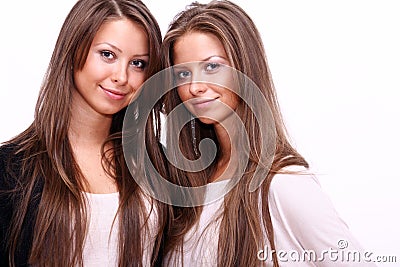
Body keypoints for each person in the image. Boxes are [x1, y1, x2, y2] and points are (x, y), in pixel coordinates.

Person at [158, 1, 377, 266]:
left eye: (212, 67)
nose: (195, 87)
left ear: (246, 67)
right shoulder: (188, 186)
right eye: (183, 73)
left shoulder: (284, 184)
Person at [0, 0, 165, 266]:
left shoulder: (156, 164)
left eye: (138, 63)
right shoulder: (10, 169)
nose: (122, 76)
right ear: (74, 49)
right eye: (108, 55)